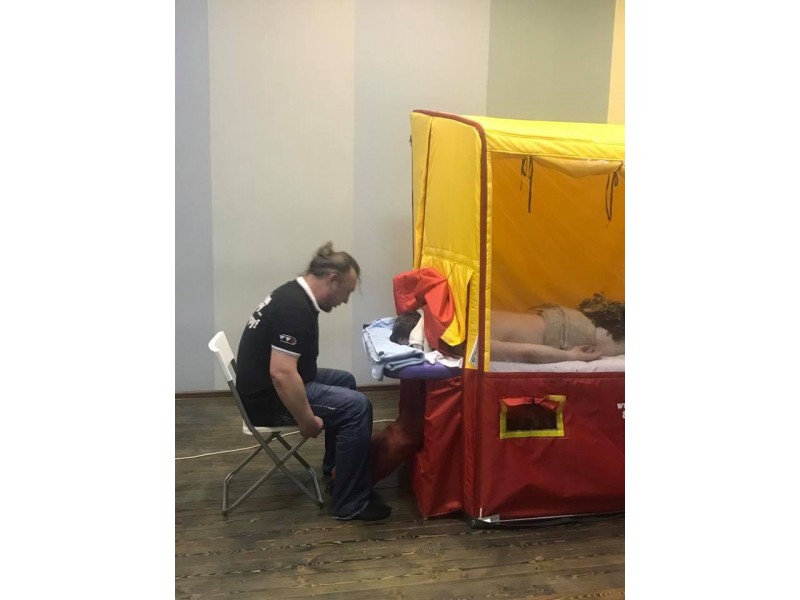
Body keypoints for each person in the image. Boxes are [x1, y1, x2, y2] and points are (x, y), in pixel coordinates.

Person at [235, 242, 391, 521]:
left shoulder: (292, 294)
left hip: (264, 389)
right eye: (347, 292)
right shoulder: (293, 309)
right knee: (357, 407)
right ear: (332, 280)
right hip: (268, 402)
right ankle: (350, 504)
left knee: (345, 381)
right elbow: (282, 374)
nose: (345, 301)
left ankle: (337, 471)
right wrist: (306, 419)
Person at [391, 293, 624, 364]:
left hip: (566, 334)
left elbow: (526, 353)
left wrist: (570, 356)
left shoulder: (456, 339)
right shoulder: (451, 313)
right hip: (555, 317)